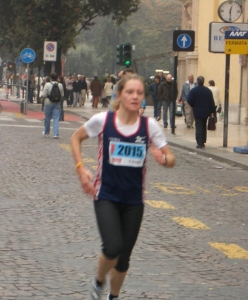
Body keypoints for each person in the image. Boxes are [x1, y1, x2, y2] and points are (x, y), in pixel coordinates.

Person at [70, 74, 176, 300]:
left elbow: (171, 158)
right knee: (112, 248)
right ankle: (99, 281)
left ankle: (113, 296)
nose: (135, 96)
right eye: (130, 92)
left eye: (139, 93)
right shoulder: (103, 121)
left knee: (124, 258)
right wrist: (81, 169)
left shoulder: (149, 126)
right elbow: (75, 138)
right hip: (106, 195)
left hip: (134, 200)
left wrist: (163, 159)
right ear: (119, 95)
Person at [187, 76, 215, 149]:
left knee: (198, 126)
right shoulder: (208, 91)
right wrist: (212, 111)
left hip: (197, 111)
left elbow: (189, 99)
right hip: (206, 111)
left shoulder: (194, 90)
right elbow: (211, 102)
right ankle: (203, 142)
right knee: (203, 126)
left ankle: (199, 142)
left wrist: (193, 105)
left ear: (197, 81)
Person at [41, 72, 64, 138]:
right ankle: (55, 134)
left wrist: (42, 96)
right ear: (57, 78)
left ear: (50, 78)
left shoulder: (47, 84)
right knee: (56, 118)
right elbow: (62, 95)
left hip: (48, 103)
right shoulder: (60, 85)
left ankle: (46, 132)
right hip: (57, 103)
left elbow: (43, 94)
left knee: (47, 118)